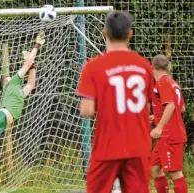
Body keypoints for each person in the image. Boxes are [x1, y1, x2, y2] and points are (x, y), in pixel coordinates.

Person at [77, 11, 154, 193]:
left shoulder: (93, 66)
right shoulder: (143, 65)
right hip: (139, 145)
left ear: (104, 33)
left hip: (108, 145)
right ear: (130, 34)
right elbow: (147, 106)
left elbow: (87, 111)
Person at [150, 54, 188, 193]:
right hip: (166, 136)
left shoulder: (162, 83)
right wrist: (156, 117)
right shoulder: (172, 83)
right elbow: (181, 108)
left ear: (152, 67)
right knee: (155, 169)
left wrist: (159, 127)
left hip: (169, 135)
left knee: (175, 172)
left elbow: (171, 106)